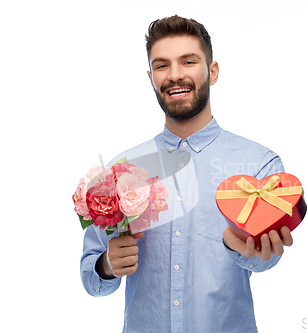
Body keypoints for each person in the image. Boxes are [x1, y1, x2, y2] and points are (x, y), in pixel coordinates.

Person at [80, 15, 293, 333]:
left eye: (188, 61)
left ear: (213, 71)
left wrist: (247, 249)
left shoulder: (258, 165)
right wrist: (106, 265)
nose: (175, 75)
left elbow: (266, 260)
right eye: (162, 65)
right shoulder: (119, 171)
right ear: (151, 77)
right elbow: (91, 273)